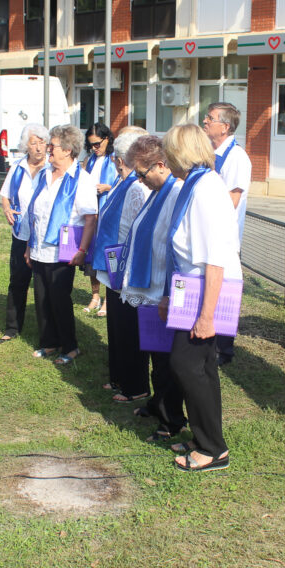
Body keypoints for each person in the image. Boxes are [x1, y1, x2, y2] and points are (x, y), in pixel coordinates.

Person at [160, 124, 242, 472]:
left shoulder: (206, 188)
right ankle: (204, 437)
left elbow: (215, 258)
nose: (165, 159)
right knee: (201, 367)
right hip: (190, 286)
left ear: (181, 153)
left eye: (168, 152)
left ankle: (213, 449)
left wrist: (206, 316)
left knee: (188, 365)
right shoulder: (194, 184)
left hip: (204, 291)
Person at [122, 135, 184, 438]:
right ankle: (158, 402)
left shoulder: (176, 192)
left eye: (142, 173)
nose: (139, 179)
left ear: (160, 165)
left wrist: (169, 293)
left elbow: (177, 247)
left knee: (166, 360)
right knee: (154, 354)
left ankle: (171, 420)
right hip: (150, 287)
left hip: (163, 288)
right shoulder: (158, 190)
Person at [25, 124, 98, 365]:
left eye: (52, 146)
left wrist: (82, 250)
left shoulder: (82, 180)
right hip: (39, 248)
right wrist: (29, 246)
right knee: (42, 298)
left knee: (60, 300)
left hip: (63, 251)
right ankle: (49, 342)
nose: (48, 149)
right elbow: (36, 214)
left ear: (67, 150)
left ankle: (70, 346)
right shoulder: (45, 173)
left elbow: (90, 219)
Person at [89, 126, 150, 400]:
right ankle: (118, 378)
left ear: (120, 159)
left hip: (127, 267)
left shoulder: (136, 186)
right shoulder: (121, 181)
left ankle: (134, 386)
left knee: (129, 329)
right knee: (116, 326)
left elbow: (138, 229)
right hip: (114, 265)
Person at [202, 102, 251, 367]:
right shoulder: (210, 152)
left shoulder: (236, 157)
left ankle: (224, 349)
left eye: (210, 118)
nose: (205, 121)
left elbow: (232, 198)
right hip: (207, 234)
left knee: (224, 290)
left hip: (224, 236)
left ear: (225, 126)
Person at [0, 124, 49, 344]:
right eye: (33, 143)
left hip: (44, 236)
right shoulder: (18, 167)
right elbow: (5, 194)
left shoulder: (53, 168)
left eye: (42, 143)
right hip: (21, 234)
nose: (38, 147)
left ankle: (47, 333)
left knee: (43, 286)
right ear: (25, 146)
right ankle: (12, 327)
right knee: (18, 281)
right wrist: (7, 208)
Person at [80, 123, 117, 316]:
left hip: (109, 212)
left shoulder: (115, 159)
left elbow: (127, 183)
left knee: (107, 255)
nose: (94, 148)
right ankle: (95, 296)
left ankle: (109, 300)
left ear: (107, 139)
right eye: (91, 145)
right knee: (92, 255)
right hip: (92, 210)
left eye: (97, 144)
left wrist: (108, 187)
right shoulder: (90, 160)